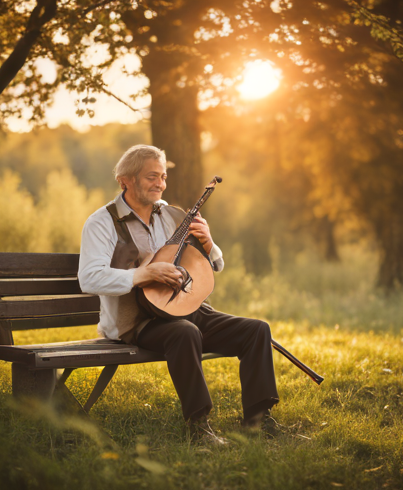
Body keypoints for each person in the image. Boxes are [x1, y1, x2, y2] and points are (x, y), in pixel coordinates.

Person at [78, 144, 279, 444]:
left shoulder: (172, 215)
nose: (160, 183)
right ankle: (199, 427)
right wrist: (143, 274)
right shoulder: (102, 223)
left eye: (162, 176)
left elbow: (214, 264)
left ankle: (257, 421)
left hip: (184, 309)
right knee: (184, 333)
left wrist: (209, 244)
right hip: (135, 323)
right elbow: (89, 278)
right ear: (125, 181)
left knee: (256, 330)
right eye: (151, 177)